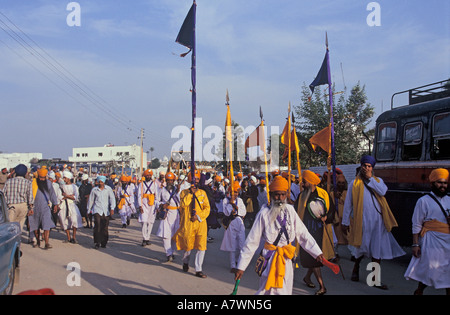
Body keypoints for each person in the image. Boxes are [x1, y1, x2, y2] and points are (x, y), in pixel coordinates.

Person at [235, 176, 324, 295]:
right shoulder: (264, 213)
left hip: (287, 259)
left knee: (285, 290)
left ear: (286, 194)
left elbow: (303, 233)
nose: (280, 198)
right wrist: (241, 266)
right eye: (277, 195)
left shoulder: (290, 210)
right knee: (268, 291)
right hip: (270, 259)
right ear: (271, 194)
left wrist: (316, 252)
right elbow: (252, 242)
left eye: (283, 195)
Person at [342, 155, 405, 289]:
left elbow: (383, 192)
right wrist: (345, 222)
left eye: (369, 166)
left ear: (372, 168)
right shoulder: (354, 183)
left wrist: (370, 178)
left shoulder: (378, 181)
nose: (366, 168)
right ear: (361, 166)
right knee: (361, 248)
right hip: (362, 222)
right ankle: (356, 267)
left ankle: (374, 279)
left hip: (378, 223)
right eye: (364, 166)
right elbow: (348, 205)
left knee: (377, 251)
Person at [404, 168, 450, 295]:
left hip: (448, 242)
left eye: (445, 183)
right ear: (432, 183)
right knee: (429, 272)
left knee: (448, 273)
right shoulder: (424, 201)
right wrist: (415, 244)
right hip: (431, 241)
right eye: (439, 182)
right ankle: (419, 291)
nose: (443, 186)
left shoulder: (449, 200)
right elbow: (417, 224)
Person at [295, 170, 334, 295]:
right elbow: (295, 213)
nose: (302, 184)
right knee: (315, 258)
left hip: (320, 231)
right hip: (306, 232)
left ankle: (309, 278)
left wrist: (326, 217)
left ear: (311, 182)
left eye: (304, 182)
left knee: (317, 257)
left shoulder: (324, 194)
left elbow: (332, 210)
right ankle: (322, 286)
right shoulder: (301, 196)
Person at [173, 170, 211, 278]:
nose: (195, 181)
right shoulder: (184, 192)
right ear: (190, 180)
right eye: (194, 179)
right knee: (188, 246)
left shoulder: (203, 193)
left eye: (197, 179)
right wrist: (190, 194)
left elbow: (207, 208)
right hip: (188, 223)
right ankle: (185, 262)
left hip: (200, 223)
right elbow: (183, 204)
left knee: (201, 247)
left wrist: (198, 217)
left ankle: (198, 269)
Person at [28, 168, 59, 249]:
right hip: (34, 207)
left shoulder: (48, 183)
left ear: (46, 177)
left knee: (46, 225)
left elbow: (52, 194)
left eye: (43, 177)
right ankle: (37, 241)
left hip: (45, 207)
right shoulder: (32, 183)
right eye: (40, 177)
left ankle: (47, 243)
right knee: (35, 225)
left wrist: (55, 204)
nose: (42, 179)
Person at [220, 181, 246, 272]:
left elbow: (243, 212)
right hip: (231, 224)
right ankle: (232, 265)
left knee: (242, 244)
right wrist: (231, 204)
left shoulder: (240, 200)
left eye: (236, 192)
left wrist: (236, 207)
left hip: (240, 223)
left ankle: (240, 262)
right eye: (233, 192)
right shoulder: (225, 201)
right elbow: (226, 213)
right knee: (232, 245)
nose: (235, 194)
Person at [156, 172, 180, 262]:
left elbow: (181, 201)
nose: (170, 182)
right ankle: (168, 253)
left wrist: (178, 192)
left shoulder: (178, 190)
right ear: (166, 180)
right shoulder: (161, 190)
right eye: (168, 180)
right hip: (166, 214)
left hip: (176, 215)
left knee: (174, 235)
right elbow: (157, 201)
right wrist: (162, 205)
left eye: (171, 180)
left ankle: (172, 251)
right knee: (166, 235)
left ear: (174, 181)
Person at [87, 175, 116, 249]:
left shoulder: (108, 189)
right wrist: (88, 210)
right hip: (97, 209)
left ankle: (104, 242)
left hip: (105, 211)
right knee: (97, 226)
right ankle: (97, 242)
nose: (100, 183)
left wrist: (112, 208)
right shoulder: (94, 190)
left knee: (105, 227)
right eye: (99, 182)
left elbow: (112, 199)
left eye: (101, 182)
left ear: (104, 182)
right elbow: (91, 200)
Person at [3, 164, 34, 232]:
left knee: (10, 227)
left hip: (11, 206)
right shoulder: (28, 182)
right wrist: (31, 208)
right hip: (23, 206)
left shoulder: (8, 181)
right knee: (20, 226)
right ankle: (17, 239)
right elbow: (30, 196)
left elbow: (3, 194)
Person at [58, 171, 83, 244]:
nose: (64, 179)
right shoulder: (62, 187)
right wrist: (69, 196)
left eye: (65, 178)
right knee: (64, 220)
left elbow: (75, 197)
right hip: (64, 205)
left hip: (72, 205)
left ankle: (74, 237)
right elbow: (60, 196)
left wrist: (67, 196)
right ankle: (68, 237)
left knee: (74, 220)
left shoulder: (74, 187)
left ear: (68, 178)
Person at [137, 169, 159, 247]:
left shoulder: (154, 184)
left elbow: (157, 195)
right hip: (144, 204)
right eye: (147, 175)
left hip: (152, 205)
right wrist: (140, 206)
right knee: (144, 221)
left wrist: (157, 206)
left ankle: (148, 238)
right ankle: (144, 238)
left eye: (150, 175)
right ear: (145, 176)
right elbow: (139, 195)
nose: (148, 176)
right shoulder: (141, 184)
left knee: (150, 222)